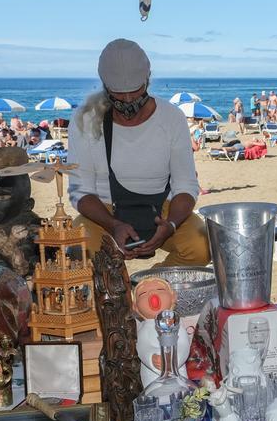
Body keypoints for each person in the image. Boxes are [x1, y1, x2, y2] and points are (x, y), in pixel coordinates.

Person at [68, 38, 211, 264]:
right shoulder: (85, 120)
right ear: (106, 87)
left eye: (135, 92)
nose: (127, 100)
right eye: (118, 94)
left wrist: (171, 224)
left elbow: (186, 185)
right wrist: (113, 225)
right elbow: (81, 192)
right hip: (104, 211)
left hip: (163, 209)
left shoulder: (172, 118)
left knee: (201, 246)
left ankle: (153, 289)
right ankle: (118, 293)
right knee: (77, 249)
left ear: (147, 80)